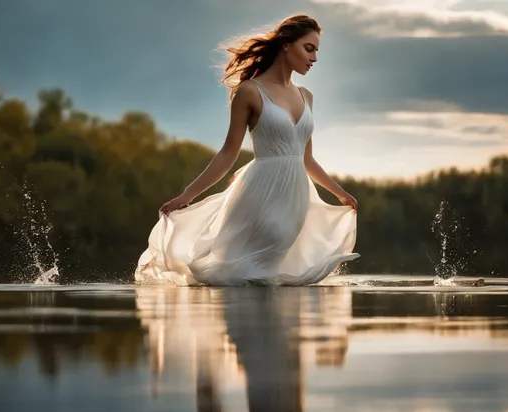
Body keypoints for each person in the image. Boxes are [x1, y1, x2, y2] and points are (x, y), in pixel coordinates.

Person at [134, 14, 359, 286]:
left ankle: (254, 324)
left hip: (296, 198)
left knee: (266, 277)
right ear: (286, 44)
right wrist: (187, 195)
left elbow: (307, 159)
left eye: (317, 51)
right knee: (250, 274)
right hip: (260, 193)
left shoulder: (306, 96)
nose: (314, 58)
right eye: (308, 48)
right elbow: (228, 154)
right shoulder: (250, 92)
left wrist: (341, 194)